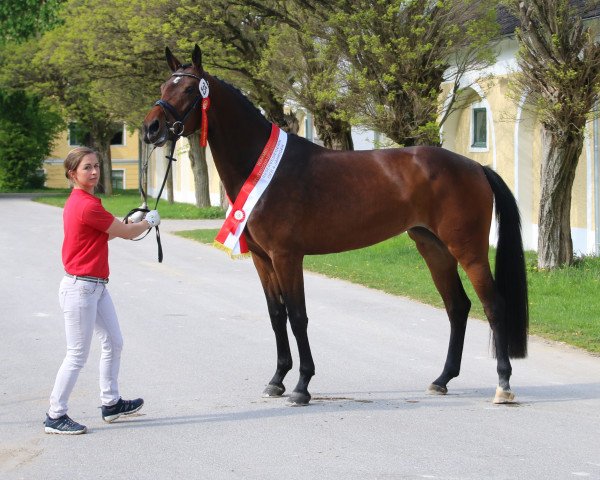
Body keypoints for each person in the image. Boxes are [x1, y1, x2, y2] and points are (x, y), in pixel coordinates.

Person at [44, 146, 161, 435]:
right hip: (81, 289)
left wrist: (133, 220)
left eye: (96, 165)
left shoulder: (85, 202)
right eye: (87, 167)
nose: (94, 171)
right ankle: (54, 415)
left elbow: (110, 230)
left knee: (114, 341)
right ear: (73, 173)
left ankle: (111, 403)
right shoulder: (85, 204)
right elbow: (125, 233)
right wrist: (148, 222)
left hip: (95, 287)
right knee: (76, 355)